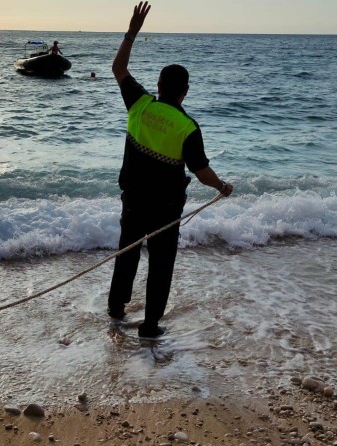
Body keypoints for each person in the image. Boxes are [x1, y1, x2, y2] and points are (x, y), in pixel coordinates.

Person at [108, 1, 233, 339]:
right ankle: (149, 328)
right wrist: (222, 186)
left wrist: (131, 33)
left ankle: (116, 310)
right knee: (160, 267)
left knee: (127, 255)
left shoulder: (140, 103)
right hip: (165, 210)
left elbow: (118, 68)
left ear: (159, 85)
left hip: (133, 200)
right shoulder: (187, 127)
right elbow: (203, 171)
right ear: (185, 91)